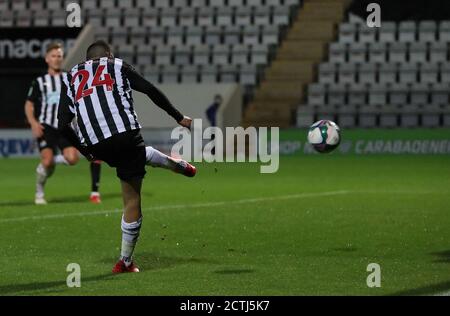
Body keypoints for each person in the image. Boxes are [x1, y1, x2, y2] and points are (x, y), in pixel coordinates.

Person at [57, 40, 196, 274]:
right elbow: (150, 89)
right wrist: (178, 117)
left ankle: (179, 166)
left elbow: (62, 124)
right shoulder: (117, 65)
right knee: (132, 198)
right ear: (109, 55)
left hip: (97, 143)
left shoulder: (71, 76)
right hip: (126, 135)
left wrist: (86, 151)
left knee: (133, 164)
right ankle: (125, 261)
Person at [25, 42, 103, 205]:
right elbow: (29, 104)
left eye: (59, 56)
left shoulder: (69, 78)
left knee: (72, 159)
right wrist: (33, 123)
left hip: (64, 126)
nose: (57, 59)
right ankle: (39, 192)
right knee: (47, 161)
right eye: (53, 56)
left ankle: (49, 162)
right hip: (46, 126)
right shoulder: (39, 82)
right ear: (47, 59)